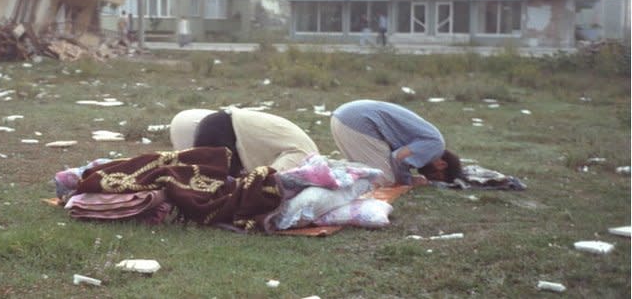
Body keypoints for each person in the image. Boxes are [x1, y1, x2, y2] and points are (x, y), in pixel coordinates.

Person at [330, 100, 462, 187]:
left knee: (365, 170)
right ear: (442, 164)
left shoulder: (433, 139)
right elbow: (399, 157)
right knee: (385, 180)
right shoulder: (435, 146)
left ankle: (327, 173)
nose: (428, 177)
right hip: (358, 122)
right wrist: (408, 181)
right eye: (436, 176)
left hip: (344, 116)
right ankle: (330, 179)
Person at [169, 107, 319, 176]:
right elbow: (268, 182)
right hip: (222, 127)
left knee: (199, 176)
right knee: (209, 180)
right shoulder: (303, 157)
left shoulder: (303, 154)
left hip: (216, 121)